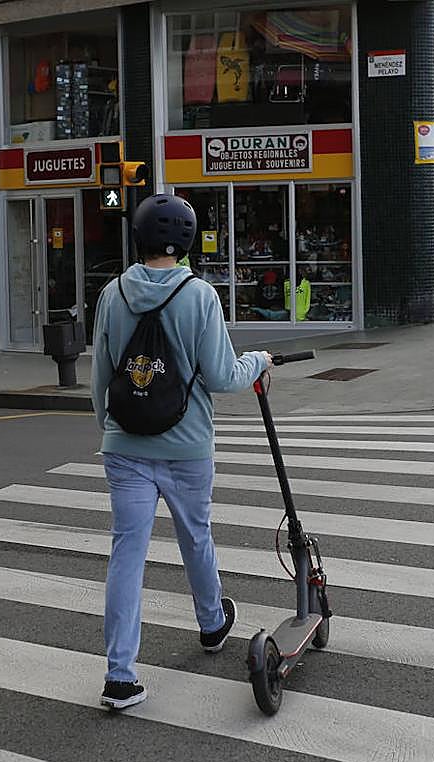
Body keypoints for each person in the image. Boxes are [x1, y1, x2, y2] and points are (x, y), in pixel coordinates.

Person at [91, 194, 271, 710]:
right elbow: (222, 376)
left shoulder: (112, 294)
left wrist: (112, 432)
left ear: (139, 236)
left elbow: (101, 377)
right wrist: (258, 359)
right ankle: (212, 624)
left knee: (127, 554)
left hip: (124, 447)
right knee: (196, 536)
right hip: (188, 446)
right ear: (187, 240)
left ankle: (120, 675)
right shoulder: (199, 295)